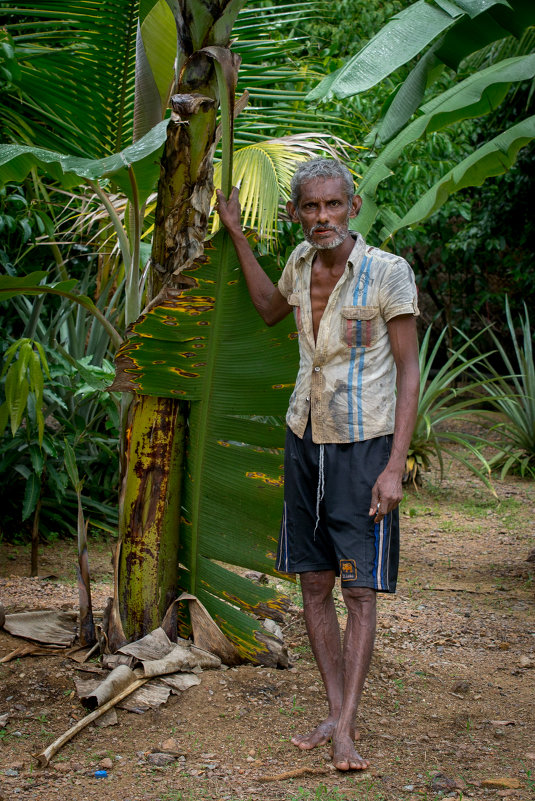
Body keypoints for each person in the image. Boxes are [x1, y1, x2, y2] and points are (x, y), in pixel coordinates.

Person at [215, 158, 420, 772]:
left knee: (359, 591)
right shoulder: (300, 264)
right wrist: (236, 233)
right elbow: (270, 310)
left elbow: (410, 370)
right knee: (313, 582)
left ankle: (347, 729)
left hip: (364, 447)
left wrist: (394, 467)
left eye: (333, 205)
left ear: (352, 207)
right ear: (296, 213)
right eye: (310, 206)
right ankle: (334, 710)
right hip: (305, 435)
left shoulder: (388, 273)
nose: (322, 217)